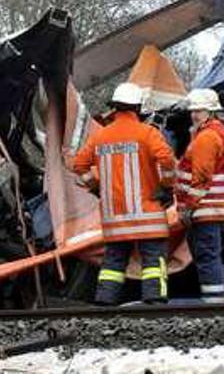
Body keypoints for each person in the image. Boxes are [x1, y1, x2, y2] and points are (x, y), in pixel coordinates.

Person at [74, 83, 177, 305]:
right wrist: (166, 186)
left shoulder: (100, 137)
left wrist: (96, 187)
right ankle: (154, 300)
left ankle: (105, 300)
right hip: (148, 214)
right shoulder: (147, 133)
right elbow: (167, 160)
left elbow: (79, 164)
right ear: (137, 108)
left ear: (115, 107)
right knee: (153, 260)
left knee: (113, 261)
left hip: (115, 216)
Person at [176, 88, 224, 303]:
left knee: (207, 256)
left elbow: (201, 177)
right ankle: (213, 302)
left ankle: (213, 304)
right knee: (208, 255)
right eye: (192, 111)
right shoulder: (215, 132)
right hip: (210, 209)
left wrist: (188, 206)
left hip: (205, 209)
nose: (194, 115)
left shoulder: (208, 136)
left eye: (199, 110)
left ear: (211, 112)